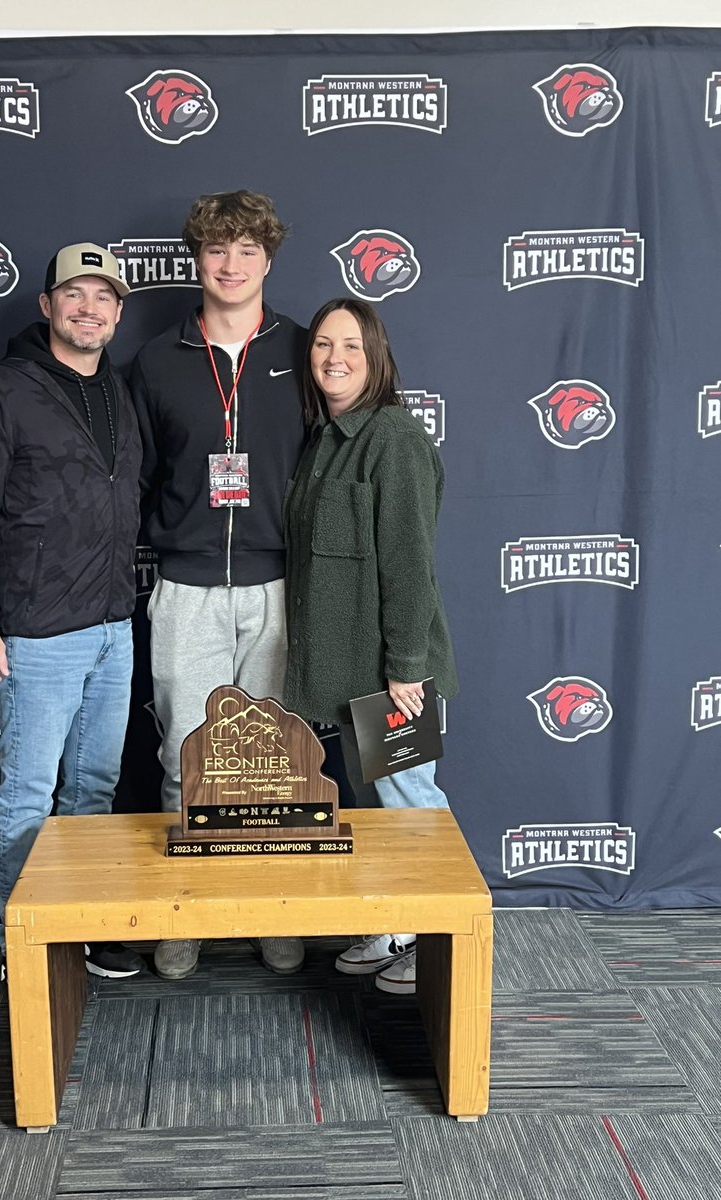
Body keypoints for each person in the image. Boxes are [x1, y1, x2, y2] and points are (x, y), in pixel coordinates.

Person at [0, 243, 144, 981]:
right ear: (46, 305)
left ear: (118, 314)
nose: (88, 308)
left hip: (112, 629)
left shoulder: (119, 391)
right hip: (35, 633)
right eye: (75, 294)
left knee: (91, 789)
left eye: (103, 297)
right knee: (27, 794)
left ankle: (78, 928)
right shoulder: (5, 389)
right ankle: (23, 947)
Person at [130, 191, 306, 980]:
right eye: (215, 250)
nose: (230, 265)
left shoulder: (306, 353)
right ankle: (188, 913)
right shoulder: (157, 361)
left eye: (245, 250)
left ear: (268, 260)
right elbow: (132, 479)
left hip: (276, 586)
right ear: (195, 260)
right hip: (186, 586)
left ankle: (272, 911)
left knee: (273, 764)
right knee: (185, 758)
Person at [283, 298, 458, 995]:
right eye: (323, 344)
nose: (334, 358)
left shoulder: (394, 438)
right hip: (350, 676)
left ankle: (439, 938)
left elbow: (411, 563)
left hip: (393, 676)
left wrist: (406, 670)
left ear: (376, 355)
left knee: (411, 803)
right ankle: (394, 926)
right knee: (379, 806)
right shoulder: (326, 437)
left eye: (351, 346)